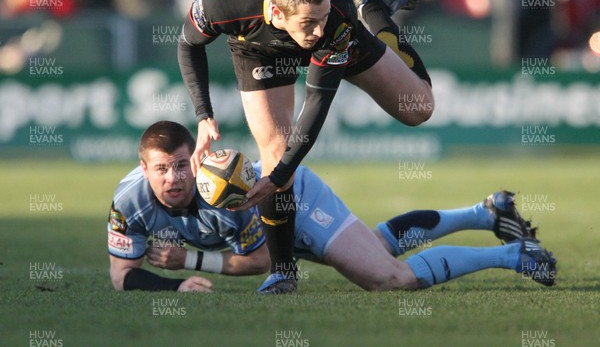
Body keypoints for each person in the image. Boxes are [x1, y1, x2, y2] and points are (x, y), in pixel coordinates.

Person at [177, 0, 434, 292]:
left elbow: (316, 102)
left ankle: (371, 6)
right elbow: (188, 44)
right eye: (309, 23)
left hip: (346, 28)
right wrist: (203, 116)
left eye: (321, 18)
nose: (317, 30)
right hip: (258, 48)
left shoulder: (335, 19)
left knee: (419, 108)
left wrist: (279, 177)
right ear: (277, 12)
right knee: (275, 149)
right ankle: (282, 272)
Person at [107, 121, 557, 293]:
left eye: (182, 166)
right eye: (162, 169)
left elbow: (264, 259)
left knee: (386, 276)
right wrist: (174, 289)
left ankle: (516, 256)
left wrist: (188, 260)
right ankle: (485, 214)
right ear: (143, 169)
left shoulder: (229, 195)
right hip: (278, 216)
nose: (175, 178)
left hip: (296, 198)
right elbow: (121, 275)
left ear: (197, 159)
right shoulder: (128, 203)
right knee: (378, 245)